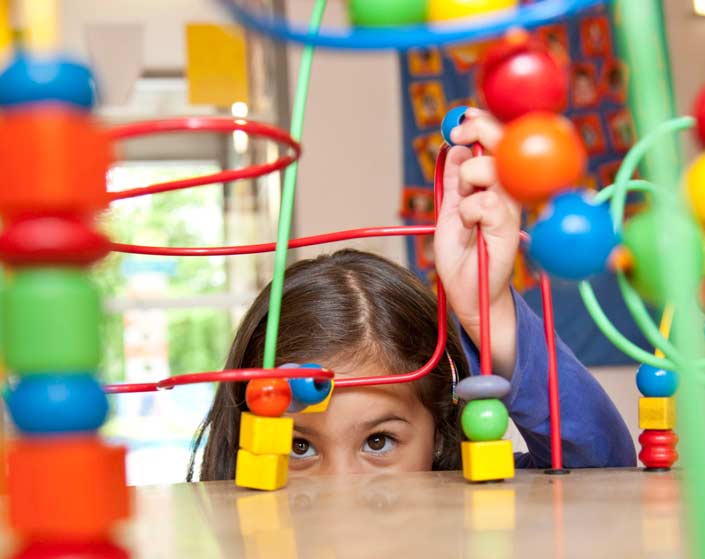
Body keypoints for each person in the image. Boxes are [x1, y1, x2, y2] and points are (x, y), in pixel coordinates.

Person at [188, 110, 634, 480]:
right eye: (299, 446)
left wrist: (488, 315)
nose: (342, 495)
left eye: (378, 442)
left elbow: (601, 472)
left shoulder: (472, 510)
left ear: (439, 435)